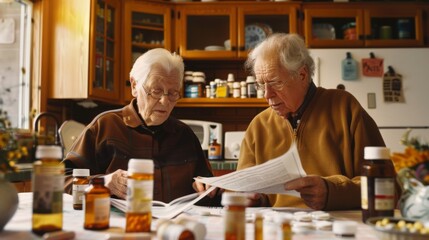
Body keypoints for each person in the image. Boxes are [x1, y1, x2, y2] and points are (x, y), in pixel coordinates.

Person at [239, 33, 385, 210]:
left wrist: (332, 192)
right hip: (276, 230)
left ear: (302, 75)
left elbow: (385, 187)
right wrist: (255, 199)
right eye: (261, 85)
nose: (266, 95)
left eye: (276, 83)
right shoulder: (258, 125)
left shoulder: (345, 108)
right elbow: (244, 191)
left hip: (336, 229)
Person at [62, 48, 215, 203]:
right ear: (135, 86)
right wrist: (102, 183)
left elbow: (209, 188)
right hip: (120, 225)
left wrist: (209, 188)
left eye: (173, 93)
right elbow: (61, 179)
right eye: (156, 91)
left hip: (174, 225)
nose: (165, 101)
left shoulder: (185, 135)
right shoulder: (105, 127)